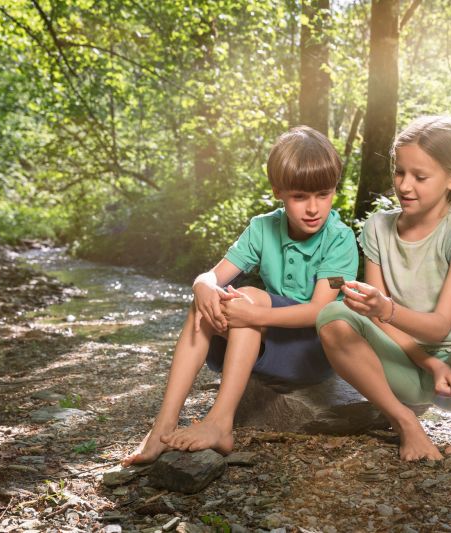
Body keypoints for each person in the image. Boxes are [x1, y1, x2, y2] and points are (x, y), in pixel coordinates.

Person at [123, 126, 358, 465]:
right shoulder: (263, 228)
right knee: (207, 301)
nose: (313, 208)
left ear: (334, 189)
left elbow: (319, 310)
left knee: (246, 298)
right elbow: (212, 276)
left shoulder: (339, 239)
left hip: (311, 352)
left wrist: (255, 314)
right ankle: (164, 423)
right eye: (299, 197)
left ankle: (220, 423)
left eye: (323, 194)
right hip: (267, 342)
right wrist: (201, 285)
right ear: (278, 191)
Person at [316, 115, 451, 461]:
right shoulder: (378, 228)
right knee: (334, 315)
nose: (405, 186)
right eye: (400, 172)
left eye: (420, 176)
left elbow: (441, 324)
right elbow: (378, 320)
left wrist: (385, 308)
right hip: (402, 366)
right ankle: (405, 423)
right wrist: (425, 360)